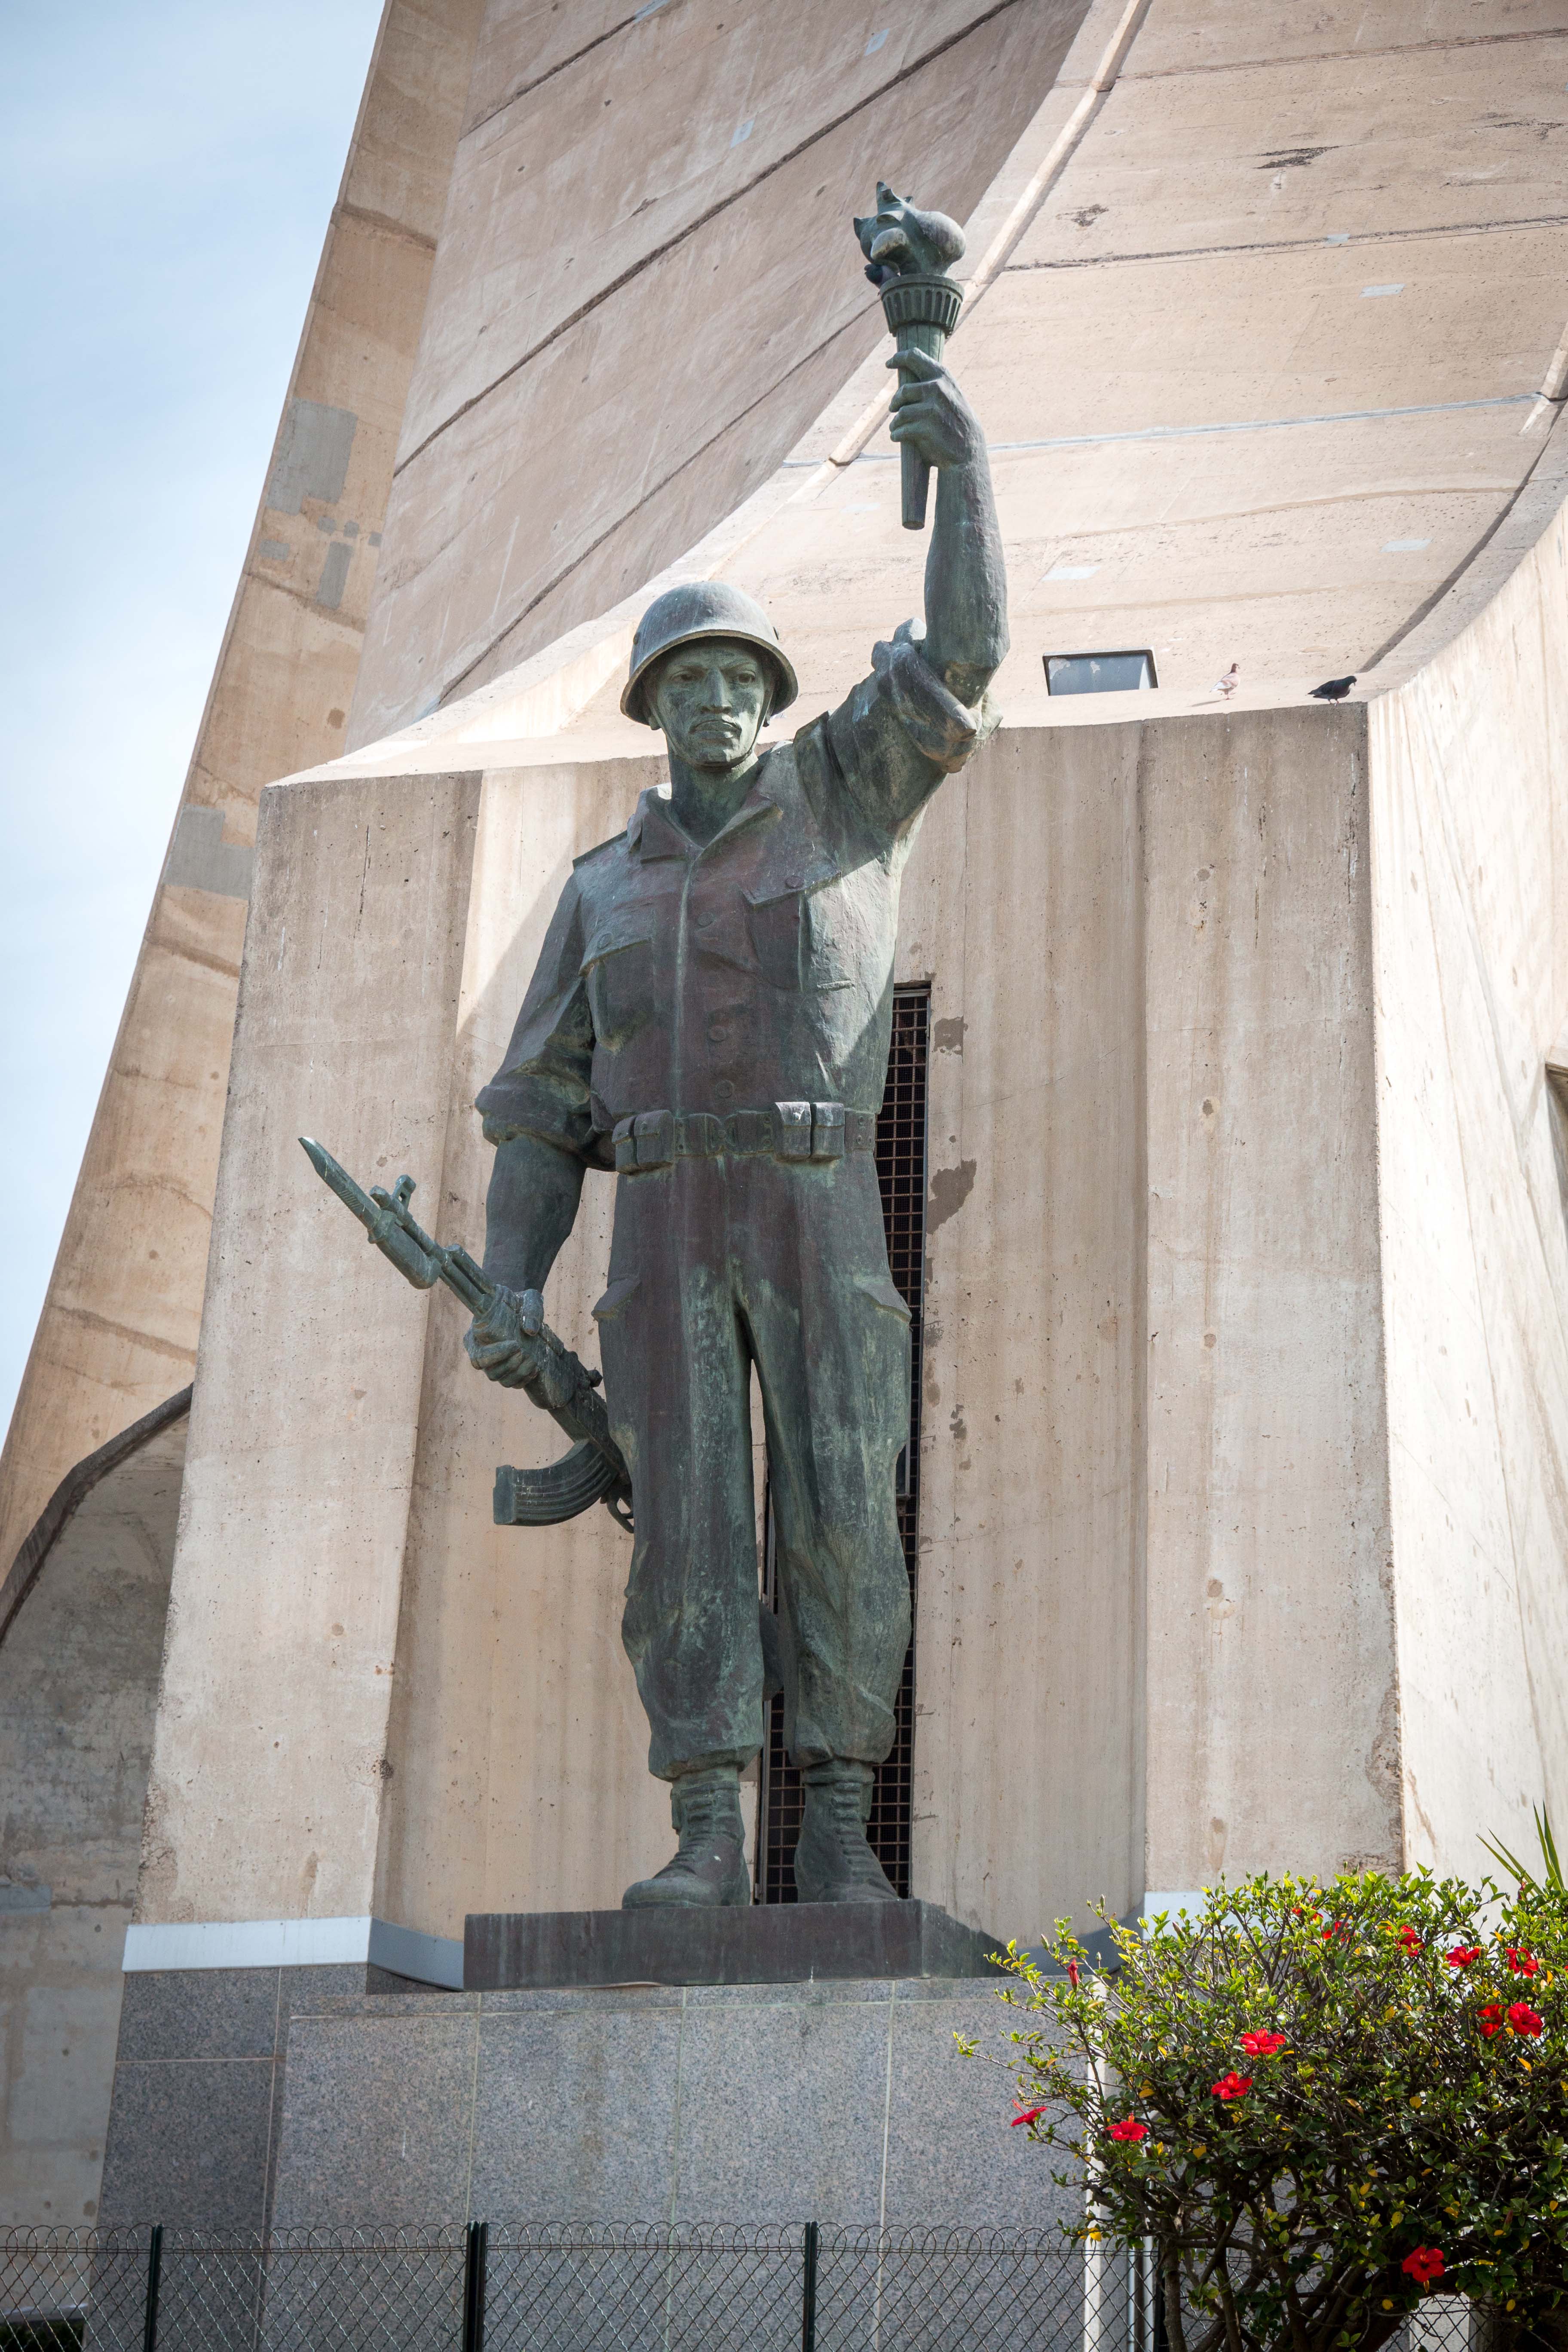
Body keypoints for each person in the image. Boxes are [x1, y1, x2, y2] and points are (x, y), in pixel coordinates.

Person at [467, 347, 1008, 1907]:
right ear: (652, 708)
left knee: (844, 1504)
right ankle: (708, 1827)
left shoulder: (846, 790)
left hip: (816, 1197)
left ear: (770, 703)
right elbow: (538, 1112)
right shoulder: (600, 889)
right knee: (687, 1532)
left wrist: (957, 456)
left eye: (736, 681)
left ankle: (834, 1827)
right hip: (662, 1223)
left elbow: (965, 647)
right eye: (684, 682)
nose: (712, 701)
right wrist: (512, 1279)